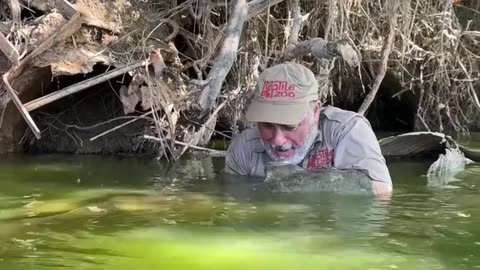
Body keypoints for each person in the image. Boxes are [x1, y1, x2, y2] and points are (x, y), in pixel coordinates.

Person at [224, 62, 392, 195]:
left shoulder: (347, 129)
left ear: (316, 112)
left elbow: (381, 190)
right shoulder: (244, 147)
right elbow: (234, 201)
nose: (277, 140)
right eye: (267, 125)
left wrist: (290, 181)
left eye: (289, 126)